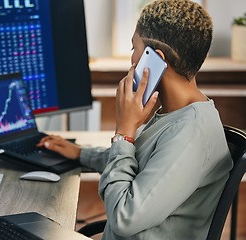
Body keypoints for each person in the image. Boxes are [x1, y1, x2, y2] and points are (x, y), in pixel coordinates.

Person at [38, 0, 233, 239]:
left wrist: (125, 131)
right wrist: (80, 154)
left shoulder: (189, 134)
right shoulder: (173, 113)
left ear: (157, 59)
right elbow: (138, 160)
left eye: (134, 49)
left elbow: (123, 218)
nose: (132, 60)